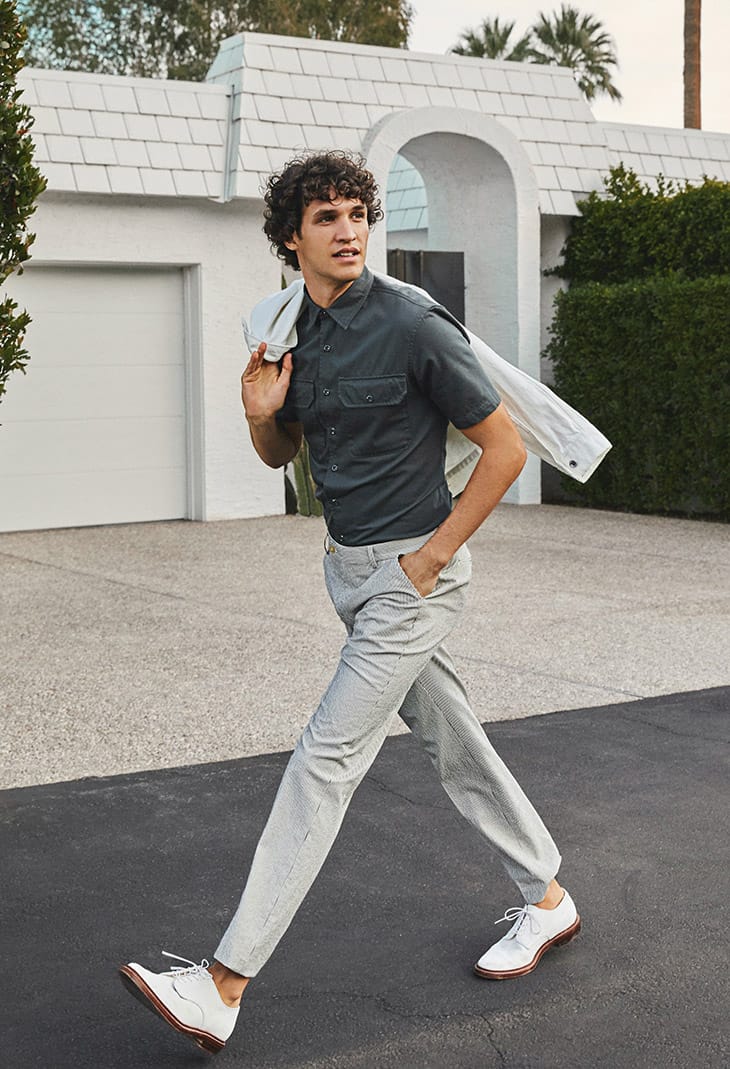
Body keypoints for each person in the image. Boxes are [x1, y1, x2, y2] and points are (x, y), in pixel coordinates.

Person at [119, 151, 581, 1055]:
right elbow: (280, 456)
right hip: (349, 572)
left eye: (357, 214)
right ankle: (548, 898)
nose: (347, 231)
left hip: (412, 578)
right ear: (290, 238)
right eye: (326, 217)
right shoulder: (292, 331)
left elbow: (504, 451)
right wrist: (260, 412)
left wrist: (431, 559)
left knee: (324, 760)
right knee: (452, 738)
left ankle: (223, 982)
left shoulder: (412, 323)